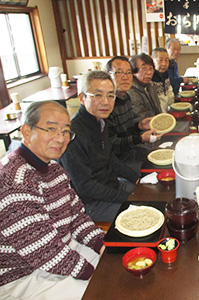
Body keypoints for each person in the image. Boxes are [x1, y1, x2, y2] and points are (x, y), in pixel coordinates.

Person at [0, 101, 105, 300]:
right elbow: (43, 251)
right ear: (26, 131)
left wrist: (100, 244)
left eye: (66, 131)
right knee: (103, 289)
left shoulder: (53, 168)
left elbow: (76, 216)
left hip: (61, 249)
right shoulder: (14, 181)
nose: (60, 138)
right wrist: (93, 274)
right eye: (51, 129)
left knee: (115, 262)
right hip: (22, 276)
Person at [60, 71, 140, 223]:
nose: (106, 102)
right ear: (82, 98)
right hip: (90, 203)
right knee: (142, 214)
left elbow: (111, 159)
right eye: (97, 95)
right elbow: (85, 186)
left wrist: (138, 179)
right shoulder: (73, 135)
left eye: (110, 95)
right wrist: (128, 198)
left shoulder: (101, 121)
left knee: (151, 194)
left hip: (112, 186)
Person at [105, 56, 161, 172]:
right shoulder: (106, 105)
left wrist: (139, 126)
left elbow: (127, 131)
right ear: (108, 75)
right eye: (119, 73)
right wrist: (140, 138)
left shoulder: (126, 97)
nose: (125, 77)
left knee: (165, 159)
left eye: (128, 72)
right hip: (118, 161)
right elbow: (112, 145)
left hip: (133, 151)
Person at [128, 53, 162, 123]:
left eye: (151, 68)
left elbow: (158, 110)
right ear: (134, 72)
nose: (149, 72)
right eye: (144, 69)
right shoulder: (131, 91)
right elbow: (141, 119)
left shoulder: (150, 85)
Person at [151, 47, 175, 112]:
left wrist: (172, 107)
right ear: (153, 60)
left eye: (166, 60)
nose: (164, 64)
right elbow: (156, 103)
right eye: (160, 60)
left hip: (167, 110)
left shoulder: (166, 74)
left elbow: (169, 92)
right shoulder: (151, 78)